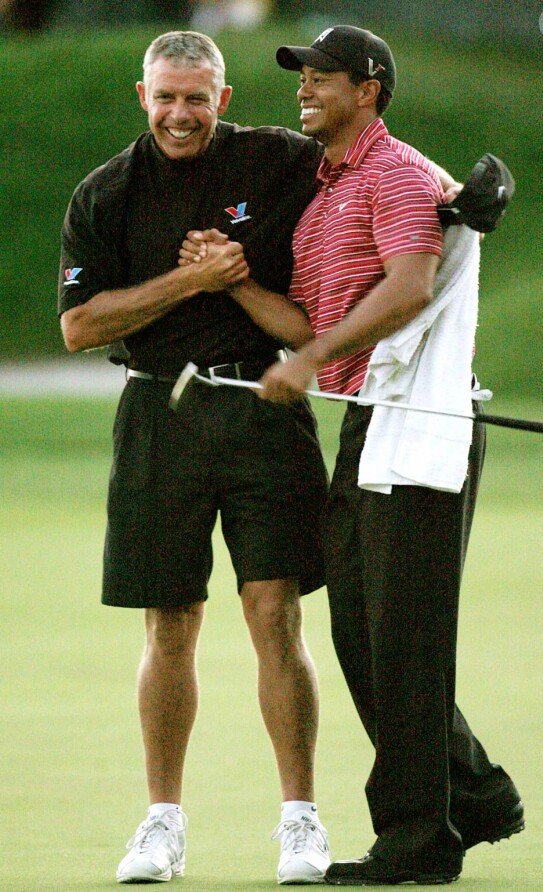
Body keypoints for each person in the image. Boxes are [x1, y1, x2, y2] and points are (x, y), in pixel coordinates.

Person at [58, 30, 332, 886]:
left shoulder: (280, 160)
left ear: (223, 98)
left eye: (198, 98)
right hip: (158, 414)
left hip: (262, 409)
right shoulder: (105, 193)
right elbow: (78, 327)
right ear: (142, 96)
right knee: (169, 623)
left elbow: (376, 157)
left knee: (274, 614)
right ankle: (162, 825)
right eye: (167, 97)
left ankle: (300, 824)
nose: (182, 114)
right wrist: (192, 280)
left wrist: (444, 194)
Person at [257, 25, 525, 886]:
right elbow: (313, 328)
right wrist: (238, 292)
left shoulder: (398, 174)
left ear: (368, 88)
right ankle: (475, 792)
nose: (304, 88)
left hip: (421, 418)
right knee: (361, 633)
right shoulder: (325, 190)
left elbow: (410, 284)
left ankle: (418, 842)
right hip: (365, 422)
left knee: (403, 639)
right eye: (302, 76)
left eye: (320, 77)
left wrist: (307, 359)